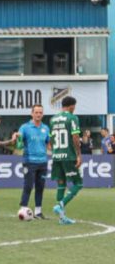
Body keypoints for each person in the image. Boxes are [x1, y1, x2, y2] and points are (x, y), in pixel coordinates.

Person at [49, 96, 83, 225]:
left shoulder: (53, 119)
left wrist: (55, 152)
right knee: (78, 183)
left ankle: (62, 218)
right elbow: (75, 136)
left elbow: (51, 139)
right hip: (69, 156)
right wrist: (79, 154)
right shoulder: (72, 118)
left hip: (57, 156)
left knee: (61, 185)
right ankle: (61, 205)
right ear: (71, 106)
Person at [16, 104, 50, 219]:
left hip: (43, 162)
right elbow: (19, 143)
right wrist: (17, 138)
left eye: (40, 112)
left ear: (43, 114)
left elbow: (47, 143)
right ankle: (23, 209)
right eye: (36, 112)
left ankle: (38, 212)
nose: (38, 114)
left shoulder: (46, 128)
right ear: (32, 113)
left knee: (40, 187)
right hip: (29, 161)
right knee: (28, 186)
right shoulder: (25, 127)